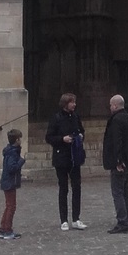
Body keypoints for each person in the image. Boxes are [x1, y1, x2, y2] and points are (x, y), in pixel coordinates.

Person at [45, 92, 87, 231]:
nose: (74, 104)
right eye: (71, 102)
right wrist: (62, 139)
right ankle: (63, 219)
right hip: (61, 157)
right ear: (65, 103)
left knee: (77, 187)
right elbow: (49, 137)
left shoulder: (75, 116)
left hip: (75, 156)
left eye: (74, 102)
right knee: (63, 188)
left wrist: (80, 136)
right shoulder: (56, 118)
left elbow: (81, 130)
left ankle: (76, 218)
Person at [102, 94, 128, 234]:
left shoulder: (116, 120)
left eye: (111, 105)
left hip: (122, 161)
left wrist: (118, 161)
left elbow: (117, 142)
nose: (110, 108)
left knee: (118, 192)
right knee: (125, 191)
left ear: (115, 106)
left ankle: (122, 220)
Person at [0, 128, 25, 240]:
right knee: (11, 207)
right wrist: (22, 161)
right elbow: (12, 168)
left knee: (9, 206)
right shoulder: (12, 153)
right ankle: (7, 230)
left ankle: (3, 228)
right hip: (9, 182)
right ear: (17, 140)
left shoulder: (11, 151)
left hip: (8, 182)